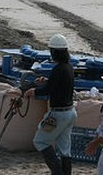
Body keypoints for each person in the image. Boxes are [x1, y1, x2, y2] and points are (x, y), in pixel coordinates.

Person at [25, 34, 76, 175]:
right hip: (70, 112)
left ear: (54, 52)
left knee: (40, 141)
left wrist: (33, 91)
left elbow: (49, 90)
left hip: (58, 114)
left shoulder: (58, 69)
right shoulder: (68, 68)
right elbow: (58, 85)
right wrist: (47, 81)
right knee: (65, 149)